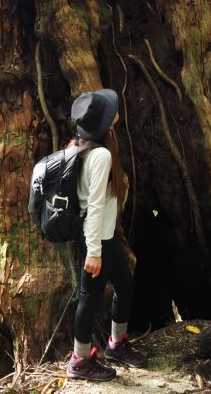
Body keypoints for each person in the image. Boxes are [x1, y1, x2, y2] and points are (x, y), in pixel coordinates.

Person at [66, 88, 147, 381]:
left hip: (105, 236)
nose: (116, 111)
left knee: (125, 285)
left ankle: (116, 343)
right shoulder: (99, 155)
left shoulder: (81, 146)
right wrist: (94, 251)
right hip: (95, 238)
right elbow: (95, 204)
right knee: (89, 299)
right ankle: (79, 362)